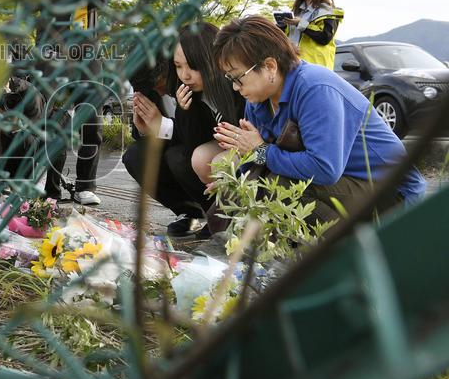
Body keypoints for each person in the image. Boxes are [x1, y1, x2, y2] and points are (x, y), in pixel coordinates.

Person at [212, 15, 426, 227]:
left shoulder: (315, 88)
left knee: (282, 187)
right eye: (230, 79)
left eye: (237, 77)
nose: (235, 87)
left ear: (270, 66)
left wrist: (260, 151)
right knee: (242, 194)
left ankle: (345, 253)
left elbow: (324, 168)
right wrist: (234, 181)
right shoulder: (258, 100)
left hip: (389, 191)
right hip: (340, 183)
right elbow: (259, 157)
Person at [37, 0, 113, 206]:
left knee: (90, 123)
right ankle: (51, 189)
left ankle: (85, 185)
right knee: (55, 122)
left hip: (87, 55)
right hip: (53, 51)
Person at [159, 22, 247, 236]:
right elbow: (191, 144)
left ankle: (236, 221)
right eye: (178, 66)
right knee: (196, 157)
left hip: (254, 144)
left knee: (219, 163)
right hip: (229, 144)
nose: (185, 75)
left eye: (192, 66)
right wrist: (185, 110)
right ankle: (216, 217)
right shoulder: (191, 92)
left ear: (212, 60)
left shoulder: (234, 83)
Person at [121, 55, 211, 235]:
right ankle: (190, 212)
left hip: (203, 151)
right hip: (178, 148)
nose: (160, 92)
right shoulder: (148, 86)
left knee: (178, 157)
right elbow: (147, 135)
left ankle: (216, 214)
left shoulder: (191, 80)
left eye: (161, 85)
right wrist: (145, 130)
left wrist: (163, 125)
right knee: (135, 156)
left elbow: (198, 135)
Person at [279, 0, 344, 70]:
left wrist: (301, 24)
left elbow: (325, 38)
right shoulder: (296, 12)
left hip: (316, 69)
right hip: (292, 67)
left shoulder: (329, 11)